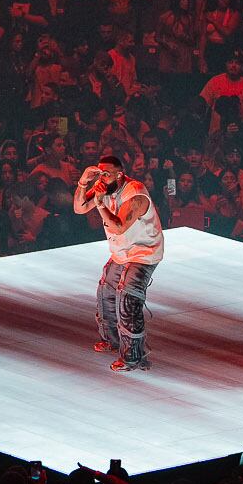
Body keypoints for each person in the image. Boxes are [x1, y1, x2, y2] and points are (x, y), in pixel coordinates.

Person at [73, 154, 166, 372]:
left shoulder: (135, 194)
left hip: (144, 252)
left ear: (119, 174)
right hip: (122, 251)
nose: (101, 177)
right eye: (99, 173)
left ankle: (133, 356)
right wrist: (83, 182)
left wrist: (99, 204)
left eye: (106, 174)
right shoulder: (103, 187)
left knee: (128, 297)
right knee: (106, 291)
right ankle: (112, 340)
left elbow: (118, 226)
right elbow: (79, 208)